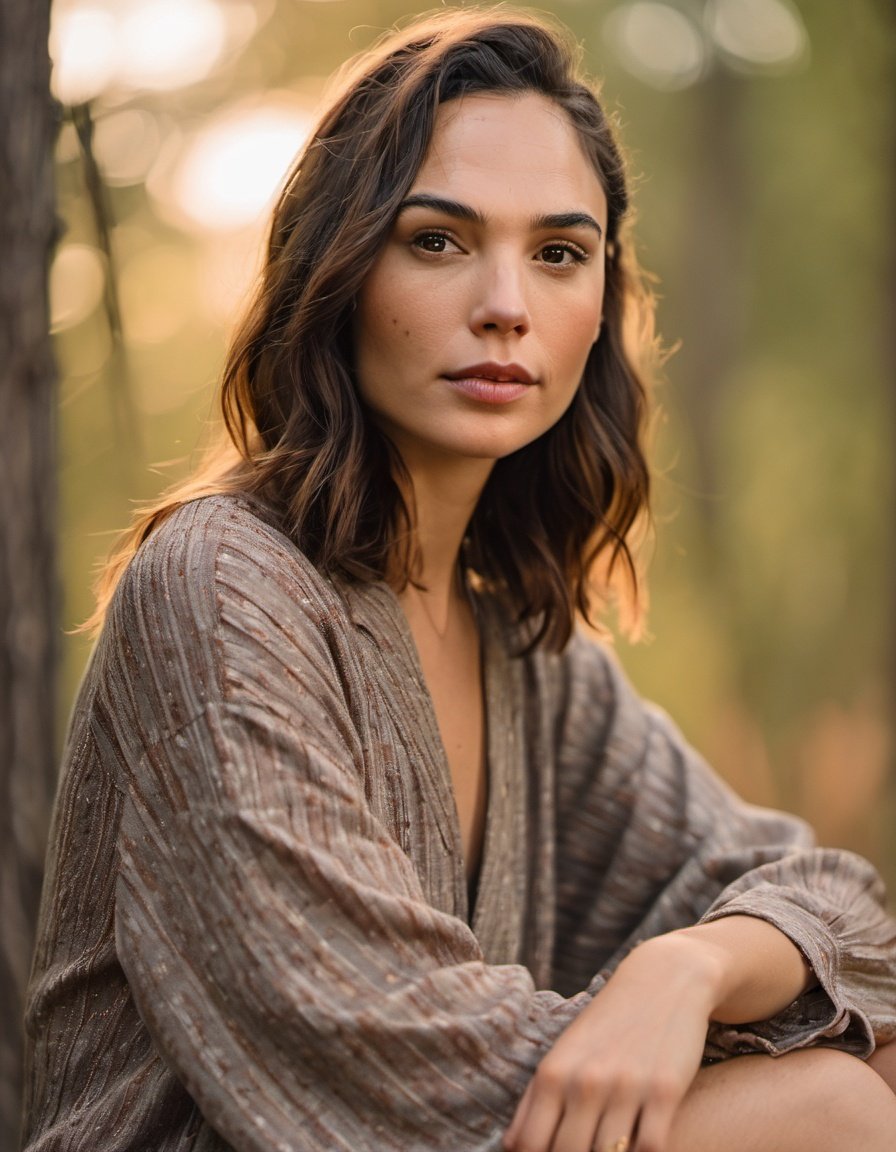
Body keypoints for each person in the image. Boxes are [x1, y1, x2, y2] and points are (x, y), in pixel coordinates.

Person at [21, 8, 896, 1152]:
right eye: (436, 240)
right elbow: (394, 1074)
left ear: (597, 307)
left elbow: (847, 919)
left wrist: (690, 968)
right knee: (826, 1103)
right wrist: (739, 1030)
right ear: (335, 269)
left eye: (557, 253)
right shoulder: (220, 588)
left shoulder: (524, 660)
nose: (506, 304)